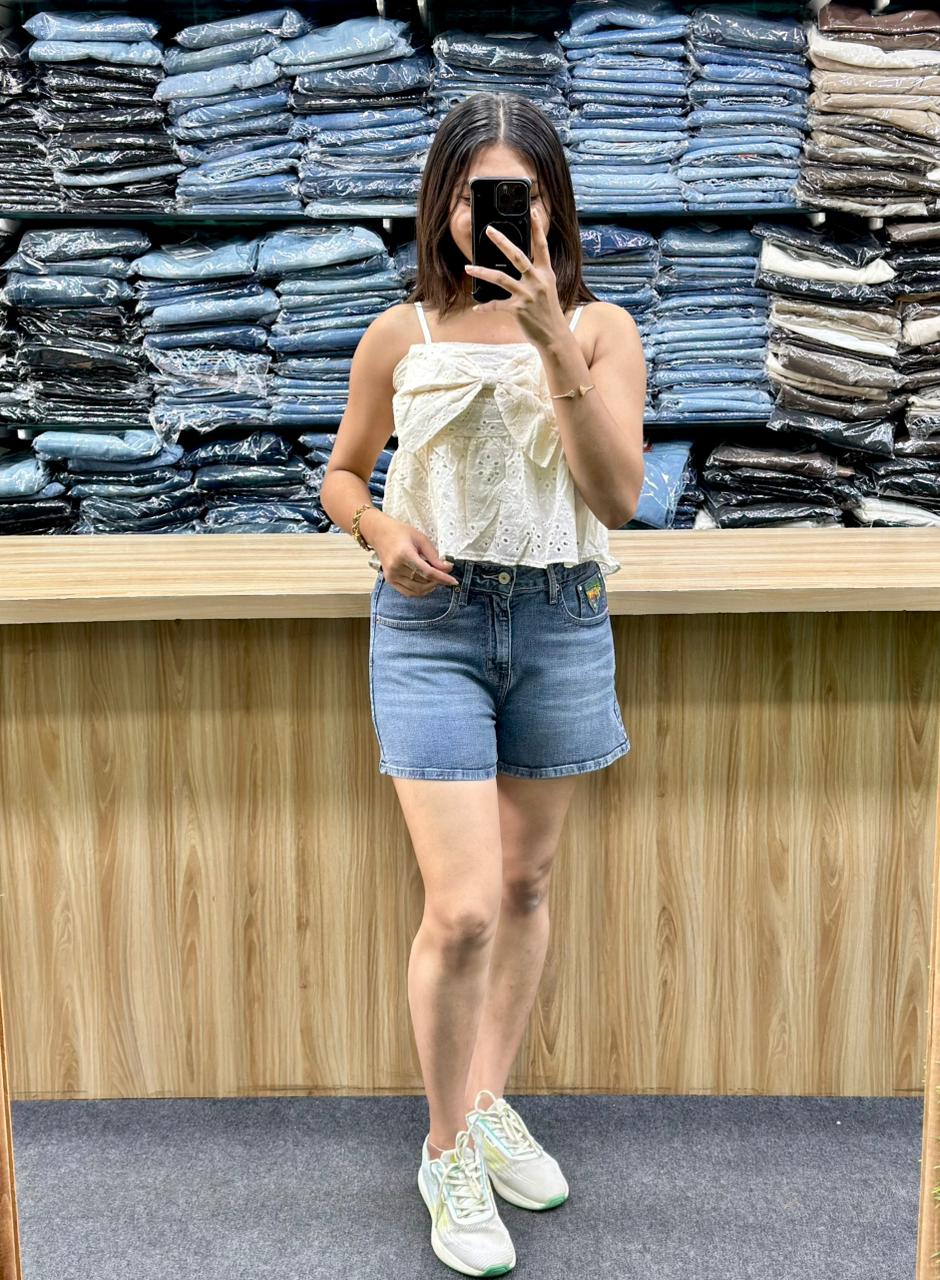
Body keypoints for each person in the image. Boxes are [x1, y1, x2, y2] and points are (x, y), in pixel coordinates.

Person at [320, 90, 646, 1276]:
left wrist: (552, 336)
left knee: (523, 883)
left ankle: (488, 1100)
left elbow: (616, 496)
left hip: (561, 614)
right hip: (431, 624)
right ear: (442, 206)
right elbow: (341, 475)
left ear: (554, 207)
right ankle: (445, 1145)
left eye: (520, 195)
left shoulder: (602, 331)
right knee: (459, 906)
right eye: (474, 196)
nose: (495, 215)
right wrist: (379, 530)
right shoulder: (398, 332)